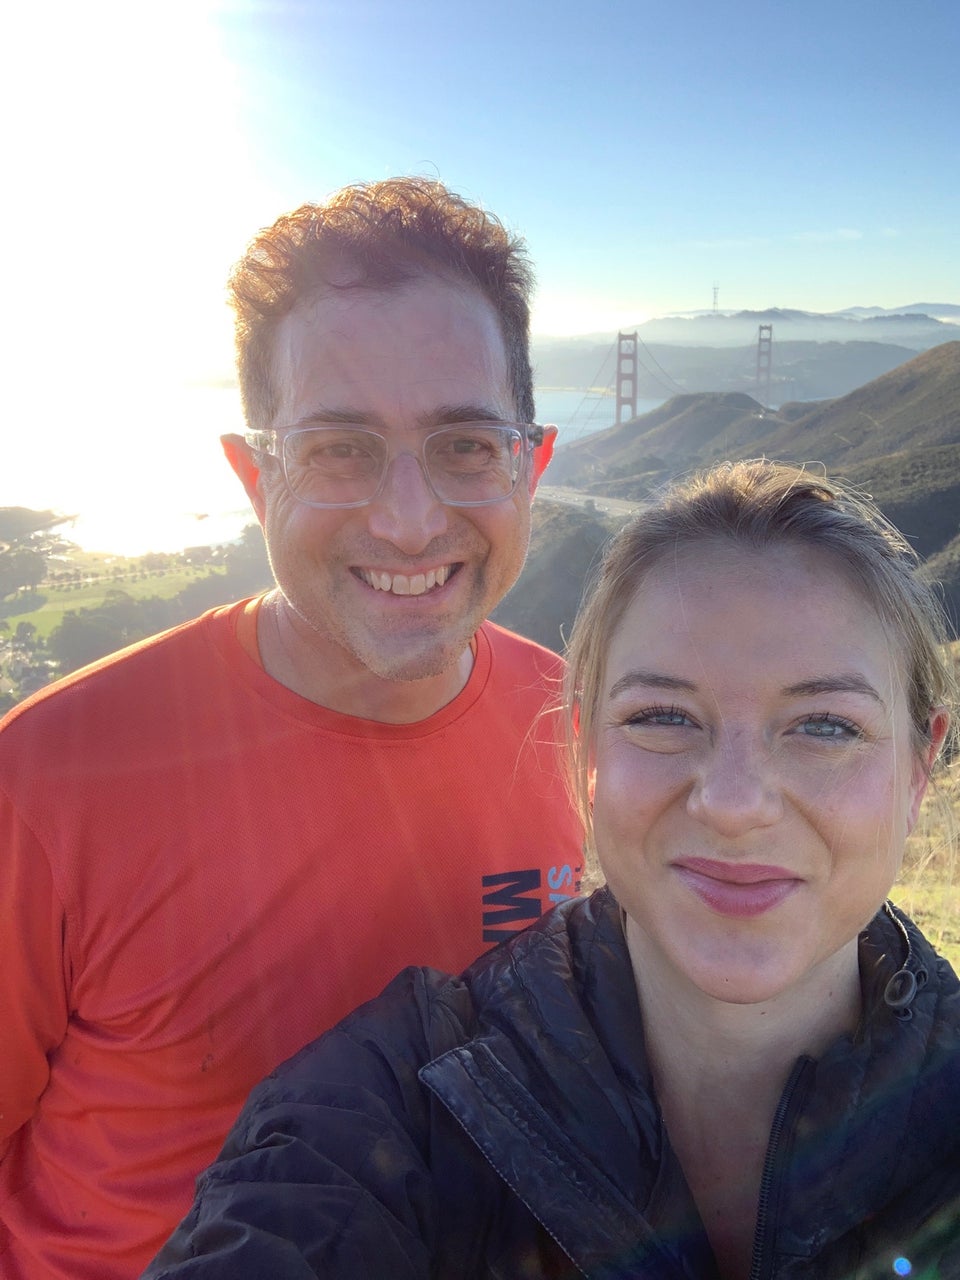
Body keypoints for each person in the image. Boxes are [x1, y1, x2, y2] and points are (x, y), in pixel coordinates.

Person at [143, 458, 960, 1280]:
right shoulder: (392, 1113)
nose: (734, 801)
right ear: (588, 744)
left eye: (824, 726)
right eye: (664, 716)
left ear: (920, 766)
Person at [0, 178, 585, 1280]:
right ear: (252, 471)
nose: (410, 518)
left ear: (531, 461)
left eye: (465, 443)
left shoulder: (586, 731)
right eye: (339, 448)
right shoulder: (49, 778)